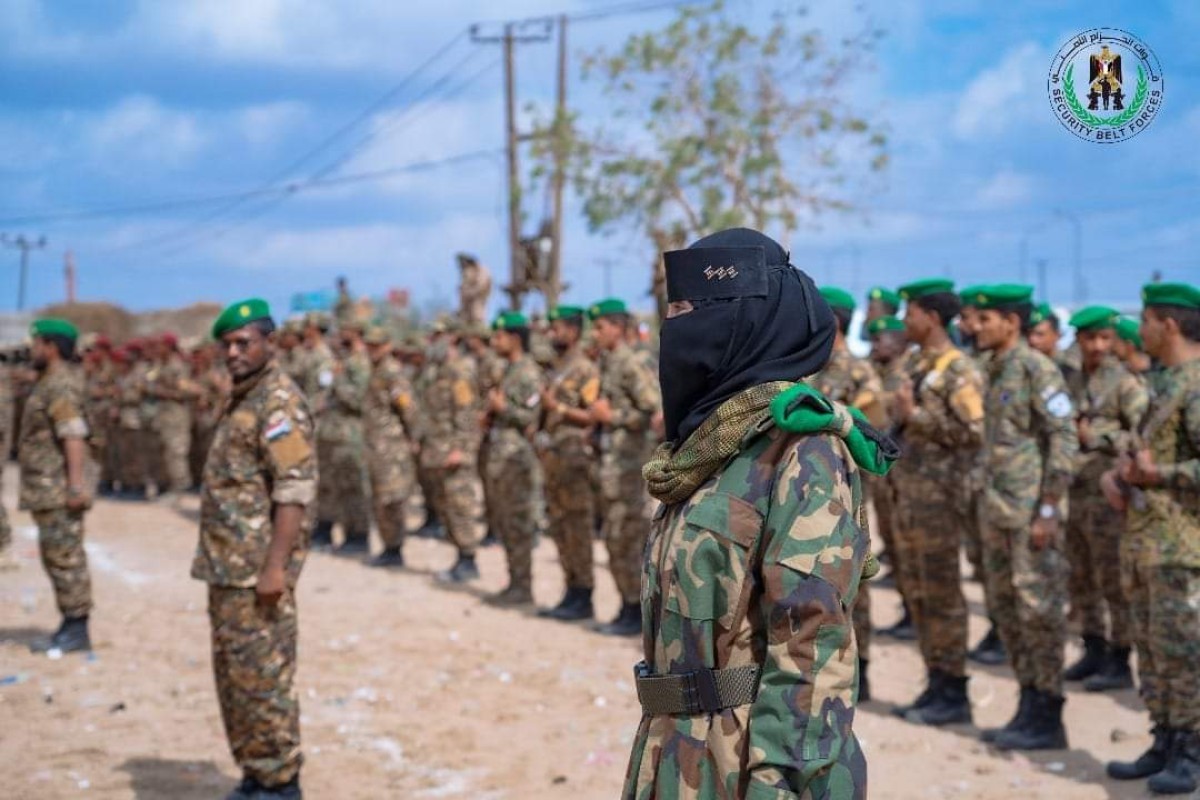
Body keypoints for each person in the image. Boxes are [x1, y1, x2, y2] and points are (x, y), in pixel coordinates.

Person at [624, 228, 896, 799]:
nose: (676, 326)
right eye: (673, 309)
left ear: (740, 322)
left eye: (690, 308)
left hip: (750, 764)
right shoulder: (706, 451)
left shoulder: (802, 453)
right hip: (673, 755)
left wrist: (782, 785)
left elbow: (811, 652)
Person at [192, 299, 315, 800]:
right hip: (227, 567)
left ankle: (281, 783)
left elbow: (294, 488)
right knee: (236, 680)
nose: (233, 352)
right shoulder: (244, 397)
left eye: (244, 342)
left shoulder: (278, 403)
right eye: (227, 344)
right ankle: (255, 772)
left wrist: (275, 568)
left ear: (271, 343)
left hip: (255, 573)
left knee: (264, 682)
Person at [1103, 282, 1200, 794]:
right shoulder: (1164, 382)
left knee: (1182, 653)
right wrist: (1121, 474)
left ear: (1169, 324)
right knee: (1154, 652)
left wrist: (1159, 474)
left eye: (1143, 321)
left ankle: (1191, 748)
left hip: (1182, 547)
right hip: (1146, 541)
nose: (1137, 332)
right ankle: (1165, 738)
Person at [973, 284, 1078, 751]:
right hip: (997, 512)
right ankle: (1028, 702)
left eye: (985, 318)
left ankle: (1048, 712)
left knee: (1039, 612)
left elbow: (1064, 438)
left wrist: (1050, 508)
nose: (975, 326)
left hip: (1030, 513)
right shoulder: (992, 368)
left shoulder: (1038, 368)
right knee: (1008, 611)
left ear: (1011, 323)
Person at [888, 280, 985, 726]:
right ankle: (935, 679)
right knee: (919, 592)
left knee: (943, 595)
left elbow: (973, 431)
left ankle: (954, 689)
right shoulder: (913, 361)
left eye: (910, 313)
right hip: (909, 497)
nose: (904, 321)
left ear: (930, 317)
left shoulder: (958, 369)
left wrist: (916, 416)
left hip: (941, 501)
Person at [1061, 306, 1147, 692]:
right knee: (1081, 577)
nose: (1096, 346)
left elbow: (1143, 438)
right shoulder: (1070, 380)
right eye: (1089, 339)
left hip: (1109, 497)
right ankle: (1092, 646)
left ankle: (1120, 657)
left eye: (1103, 338)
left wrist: (1098, 436)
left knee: (1114, 579)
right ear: (1078, 340)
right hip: (1075, 494)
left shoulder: (1126, 384)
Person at [809, 286, 885, 698]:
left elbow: (874, 437)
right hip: (805, 496)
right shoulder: (807, 369)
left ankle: (862, 668)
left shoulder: (860, 374)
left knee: (854, 581)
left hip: (847, 493)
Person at [19, 318, 95, 654]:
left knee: (65, 557)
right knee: (56, 556)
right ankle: (70, 623)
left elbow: (73, 434)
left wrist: (76, 485)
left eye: (36, 344)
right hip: (46, 488)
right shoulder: (48, 381)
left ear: (50, 347)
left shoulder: (59, 385)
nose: (32, 350)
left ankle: (77, 627)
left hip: (58, 488)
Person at [589, 298, 661, 636]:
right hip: (611, 465)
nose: (595, 333)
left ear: (617, 327)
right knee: (614, 538)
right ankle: (627, 604)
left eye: (600, 327)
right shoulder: (608, 362)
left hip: (630, 467)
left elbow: (650, 411)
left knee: (628, 537)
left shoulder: (631, 363)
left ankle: (635, 609)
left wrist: (612, 417)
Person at [536, 305, 601, 621]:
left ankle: (584, 592)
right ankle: (570, 588)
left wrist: (558, 409)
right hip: (554, 461)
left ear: (573, 331)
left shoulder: (584, 369)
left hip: (575, 461)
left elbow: (592, 414)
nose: (552, 333)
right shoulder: (557, 367)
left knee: (577, 526)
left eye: (557, 327)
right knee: (560, 526)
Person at [482, 312, 544, 606]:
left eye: (499, 335)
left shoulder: (527, 372)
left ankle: (523, 586)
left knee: (518, 522)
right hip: (501, 457)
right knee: (505, 521)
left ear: (515, 338)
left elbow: (530, 417)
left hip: (517, 459)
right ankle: (514, 581)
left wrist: (502, 407)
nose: (495, 341)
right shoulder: (508, 370)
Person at [419, 326, 485, 582]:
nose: (431, 341)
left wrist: (462, 449)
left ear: (452, 339)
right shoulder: (437, 372)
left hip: (454, 452)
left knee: (461, 504)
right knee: (447, 506)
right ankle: (460, 554)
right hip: (439, 450)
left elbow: (467, 413)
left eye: (437, 337)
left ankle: (469, 559)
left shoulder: (460, 371)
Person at [362, 325, 419, 568]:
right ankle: (389, 545)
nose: (372, 350)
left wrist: (413, 437)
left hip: (391, 447)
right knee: (380, 498)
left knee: (392, 498)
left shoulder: (391, 373)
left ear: (387, 346)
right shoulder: (374, 371)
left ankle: (395, 547)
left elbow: (408, 408)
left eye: (377, 345)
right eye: (369, 345)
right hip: (376, 445)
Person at [316, 322, 371, 554]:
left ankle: (358, 536)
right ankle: (329, 529)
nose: (338, 336)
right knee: (332, 486)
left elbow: (360, 400)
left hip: (350, 436)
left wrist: (338, 383)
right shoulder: (343, 361)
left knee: (353, 488)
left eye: (343, 331)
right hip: (331, 434)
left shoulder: (360, 363)